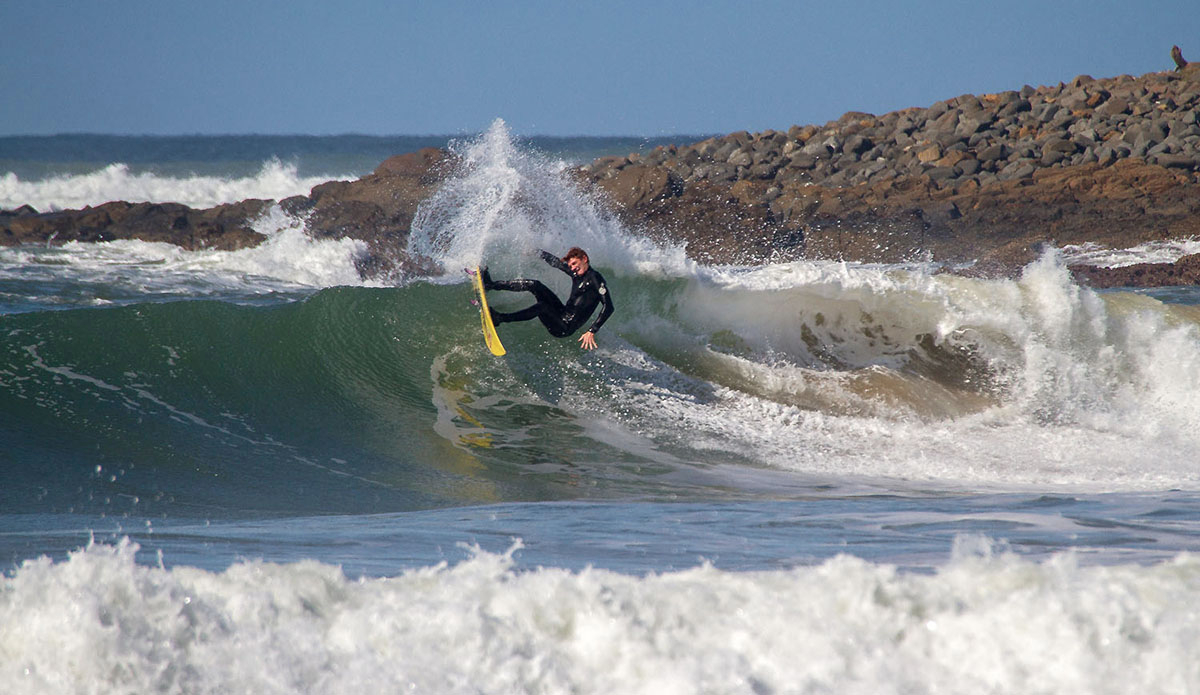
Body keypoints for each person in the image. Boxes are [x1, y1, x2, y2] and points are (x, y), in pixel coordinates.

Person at [482, 247, 614, 350]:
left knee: (542, 306)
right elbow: (557, 263)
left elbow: (608, 306)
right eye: (571, 265)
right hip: (562, 313)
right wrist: (538, 252)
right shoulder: (577, 274)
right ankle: (491, 285)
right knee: (535, 285)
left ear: (584, 259)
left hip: (564, 327)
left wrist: (592, 330)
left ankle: (500, 318)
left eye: (575, 263)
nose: (572, 268)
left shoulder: (595, 278)